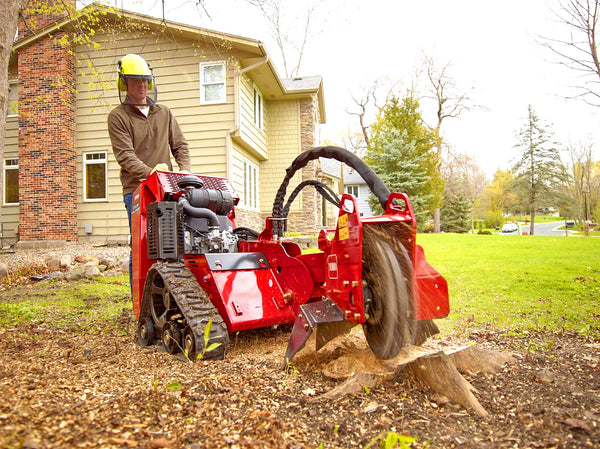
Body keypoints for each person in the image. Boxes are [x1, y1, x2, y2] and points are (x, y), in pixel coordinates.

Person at [107, 54, 191, 287]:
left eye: (145, 80)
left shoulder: (164, 112)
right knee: (142, 246)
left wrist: (184, 174)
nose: (142, 85)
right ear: (124, 84)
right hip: (136, 190)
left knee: (173, 243)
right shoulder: (118, 116)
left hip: (167, 189)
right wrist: (151, 173)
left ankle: (170, 295)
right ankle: (140, 304)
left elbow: (180, 146)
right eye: (136, 81)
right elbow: (125, 156)